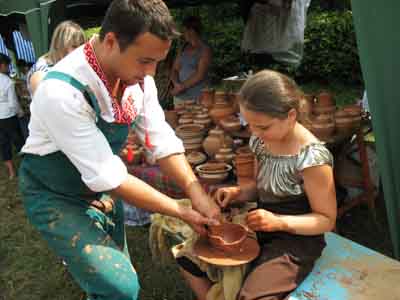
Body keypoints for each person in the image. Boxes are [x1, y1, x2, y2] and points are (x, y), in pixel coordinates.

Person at [19, 1, 220, 299]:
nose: (151, 72)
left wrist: (196, 193)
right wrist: (181, 210)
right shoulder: (61, 91)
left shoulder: (139, 80)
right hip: (55, 193)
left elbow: (161, 139)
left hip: (99, 187)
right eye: (144, 61)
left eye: (157, 62)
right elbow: (108, 175)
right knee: (120, 288)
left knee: (114, 279)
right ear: (111, 41)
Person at [177, 70, 337, 300]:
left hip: (297, 236)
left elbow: (326, 220)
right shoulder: (261, 142)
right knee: (189, 258)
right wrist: (238, 192)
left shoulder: (312, 158)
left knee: (252, 296)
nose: (255, 133)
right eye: (249, 124)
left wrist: (279, 222)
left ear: (291, 116)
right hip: (260, 222)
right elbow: (258, 186)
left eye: (262, 127)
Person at [26, 20, 86, 96]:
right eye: (74, 46)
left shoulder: (67, 66)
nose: (79, 50)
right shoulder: (42, 72)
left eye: (81, 46)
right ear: (58, 44)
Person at [170, 15, 212, 107]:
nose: (183, 34)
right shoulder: (183, 48)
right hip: (180, 98)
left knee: (199, 121)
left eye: (184, 31)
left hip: (198, 97)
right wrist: (176, 84)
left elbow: (199, 75)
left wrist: (180, 87)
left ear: (191, 31)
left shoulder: (205, 49)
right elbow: (174, 70)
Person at [0, 54, 24, 179]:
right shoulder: (8, 81)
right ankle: (26, 167)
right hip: (9, 116)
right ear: (2, 65)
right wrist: (20, 112)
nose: (8, 67)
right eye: (7, 65)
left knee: (4, 144)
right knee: (18, 141)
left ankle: (11, 172)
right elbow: (13, 103)